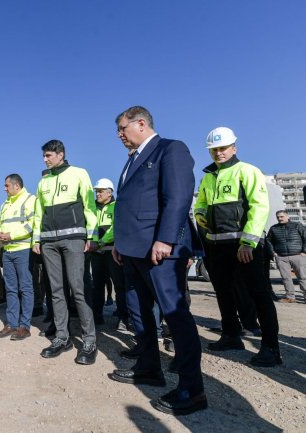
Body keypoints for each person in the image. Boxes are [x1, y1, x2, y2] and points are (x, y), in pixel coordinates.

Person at [108, 106, 206, 415]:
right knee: (139, 311)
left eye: (122, 128)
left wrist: (166, 239)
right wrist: (119, 242)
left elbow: (178, 198)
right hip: (132, 249)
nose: (119, 134)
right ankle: (149, 367)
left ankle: (192, 388)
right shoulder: (132, 159)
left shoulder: (170, 149)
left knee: (175, 315)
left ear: (141, 123)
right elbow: (128, 204)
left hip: (159, 249)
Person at [194, 126, 281, 367]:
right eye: (214, 149)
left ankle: (271, 347)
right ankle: (231, 335)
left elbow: (259, 207)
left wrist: (248, 242)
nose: (218, 153)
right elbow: (200, 203)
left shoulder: (247, 171)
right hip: (217, 245)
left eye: (223, 148)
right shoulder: (208, 177)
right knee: (223, 292)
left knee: (258, 294)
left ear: (234, 148)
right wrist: (200, 214)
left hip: (244, 245)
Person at [32, 139, 99, 365]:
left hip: (73, 239)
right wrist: (36, 238)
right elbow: (38, 212)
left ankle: (89, 340)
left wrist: (92, 236)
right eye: (44, 156)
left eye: (48, 155)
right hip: (48, 242)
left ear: (60, 154)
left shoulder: (79, 173)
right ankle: (62, 337)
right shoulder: (43, 181)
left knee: (78, 288)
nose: (45, 159)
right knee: (56, 291)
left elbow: (90, 206)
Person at [0, 174, 36, 340]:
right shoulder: (5, 204)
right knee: (10, 289)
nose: (4, 188)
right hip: (7, 251)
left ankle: (24, 326)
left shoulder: (30, 199)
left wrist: (11, 235)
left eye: (7, 185)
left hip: (23, 250)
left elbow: (32, 224)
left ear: (16, 185)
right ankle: (12, 324)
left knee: (25, 288)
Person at [88, 178, 128, 328]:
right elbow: (90, 227)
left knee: (119, 285)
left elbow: (115, 228)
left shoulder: (117, 206)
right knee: (97, 286)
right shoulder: (92, 207)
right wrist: (93, 243)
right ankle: (97, 317)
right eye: (96, 191)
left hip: (112, 252)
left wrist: (101, 242)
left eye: (100, 191)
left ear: (109, 193)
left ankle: (123, 317)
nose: (97, 194)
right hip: (96, 253)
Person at [266, 210, 306, 303]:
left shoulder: (297, 225)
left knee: (303, 277)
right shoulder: (273, 228)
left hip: (298, 255)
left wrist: (304, 251)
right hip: (281, 257)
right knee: (285, 278)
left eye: (282, 216)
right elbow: (268, 241)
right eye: (278, 217)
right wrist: (273, 252)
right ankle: (290, 297)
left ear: (287, 216)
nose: (279, 218)